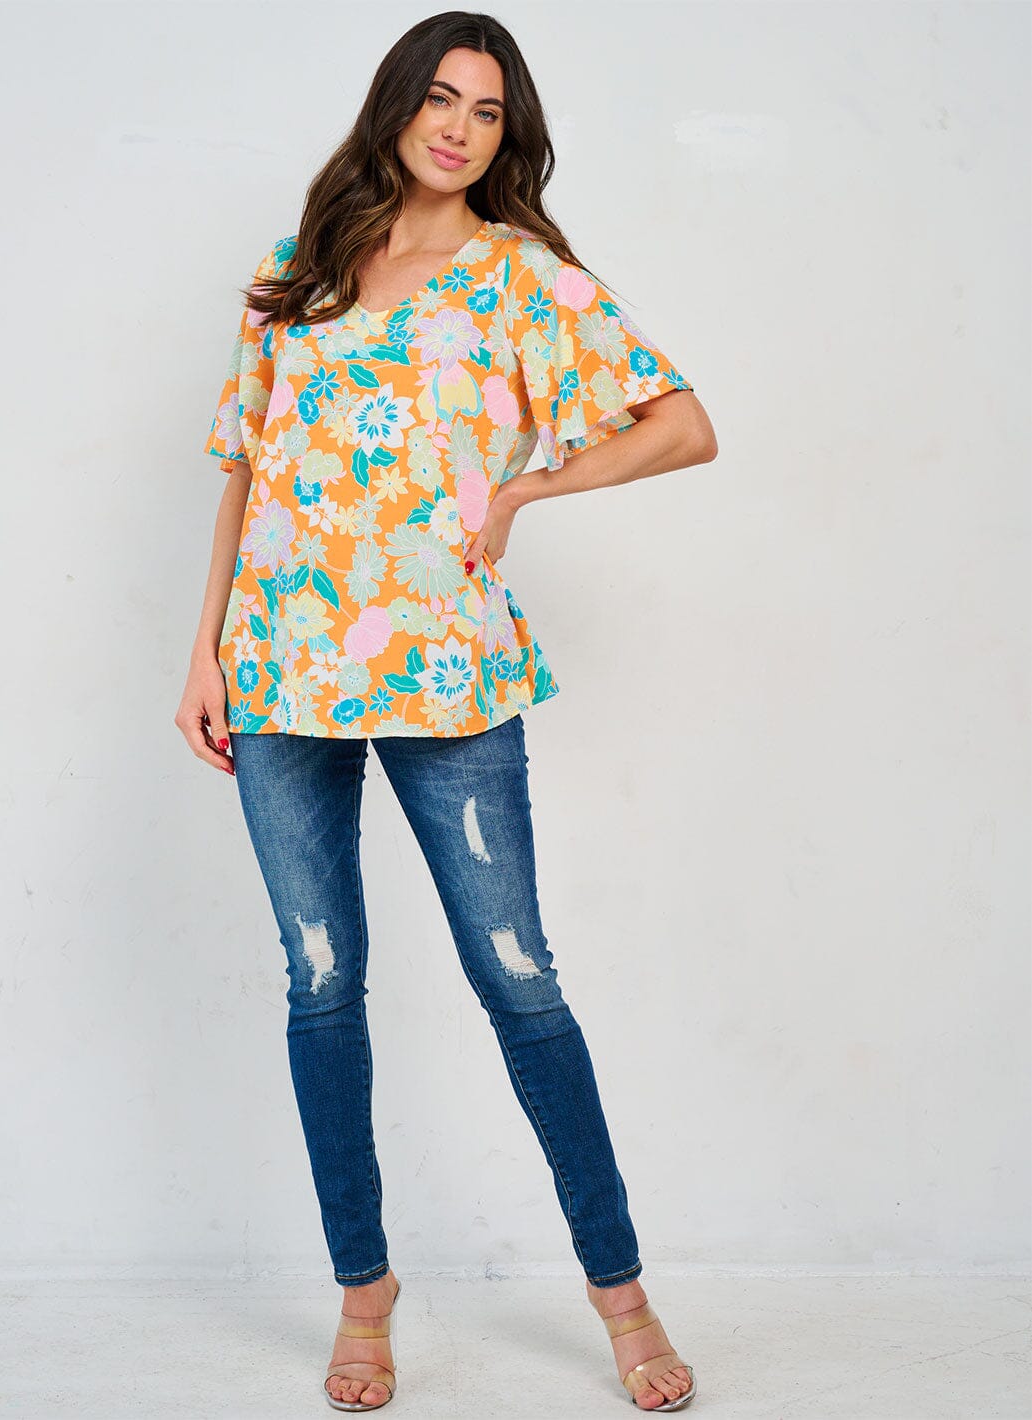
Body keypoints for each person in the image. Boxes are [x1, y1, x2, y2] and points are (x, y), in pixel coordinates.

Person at [176, 11, 717, 1413]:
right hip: (279, 671)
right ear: (396, 107)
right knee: (320, 981)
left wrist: (531, 487)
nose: (459, 128)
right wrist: (207, 653)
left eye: (486, 110)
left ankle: (622, 1296)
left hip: (445, 673)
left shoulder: (524, 278)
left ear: (506, 133)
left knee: (516, 977)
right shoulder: (302, 264)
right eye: (439, 98)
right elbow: (245, 468)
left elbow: (682, 423)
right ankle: (363, 1294)